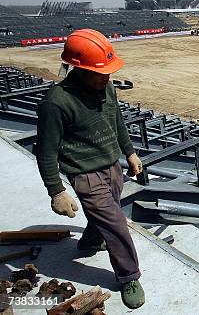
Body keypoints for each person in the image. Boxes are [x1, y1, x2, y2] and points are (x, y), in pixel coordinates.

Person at [35, 29, 145, 309]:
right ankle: (129, 276)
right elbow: (46, 152)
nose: (107, 77)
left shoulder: (105, 86)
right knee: (117, 223)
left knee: (107, 215)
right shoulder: (56, 103)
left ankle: (90, 242)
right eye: (101, 72)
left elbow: (116, 121)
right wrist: (56, 191)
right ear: (79, 68)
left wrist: (130, 152)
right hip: (84, 174)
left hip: (112, 166)